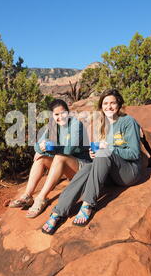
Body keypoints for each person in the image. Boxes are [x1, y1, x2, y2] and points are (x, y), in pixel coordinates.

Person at [41, 89, 143, 235]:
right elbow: (104, 154)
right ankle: (59, 211)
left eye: (113, 103)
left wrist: (109, 149)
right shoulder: (105, 124)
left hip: (129, 172)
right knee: (88, 167)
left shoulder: (127, 122)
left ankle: (88, 204)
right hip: (111, 173)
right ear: (101, 106)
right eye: (105, 103)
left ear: (119, 104)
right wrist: (94, 154)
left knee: (104, 152)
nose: (109, 107)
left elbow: (134, 153)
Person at [9, 99, 91, 218]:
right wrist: (42, 148)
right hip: (66, 165)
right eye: (56, 114)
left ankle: (41, 199)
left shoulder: (75, 124)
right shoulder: (53, 126)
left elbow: (69, 150)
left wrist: (49, 149)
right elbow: (37, 147)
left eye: (63, 113)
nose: (60, 117)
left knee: (59, 156)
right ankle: (27, 196)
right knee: (41, 158)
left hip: (82, 167)